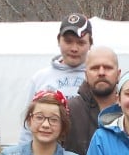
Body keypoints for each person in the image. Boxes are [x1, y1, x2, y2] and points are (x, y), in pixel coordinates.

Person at [18, 14, 93, 144]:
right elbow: (27, 128)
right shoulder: (40, 79)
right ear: (59, 40)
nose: (74, 48)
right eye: (68, 41)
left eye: (81, 42)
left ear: (90, 44)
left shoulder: (96, 78)